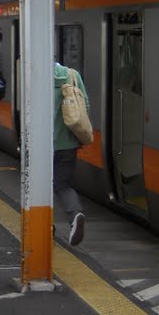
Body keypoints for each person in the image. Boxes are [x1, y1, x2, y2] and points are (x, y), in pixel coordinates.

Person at [54, 61, 88, 246]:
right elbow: (85, 105)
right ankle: (75, 215)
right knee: (63, 185)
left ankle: (45, 226)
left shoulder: (33, 76)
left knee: (39, 186)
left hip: (42, 145)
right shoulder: (72, 75)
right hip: (68, 142)